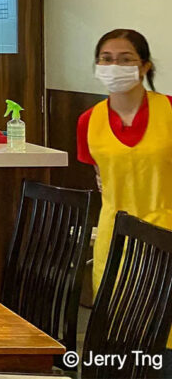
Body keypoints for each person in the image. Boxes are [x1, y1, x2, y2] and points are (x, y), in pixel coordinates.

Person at [77, 28, 172, 361]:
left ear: (144, 66)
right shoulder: (89, 121)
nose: (114, 66)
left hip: (167, 235)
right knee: (121, 333)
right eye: (106, 59)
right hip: (114, 238)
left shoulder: (170, 111)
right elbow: (101, 178)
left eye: (125, 59)